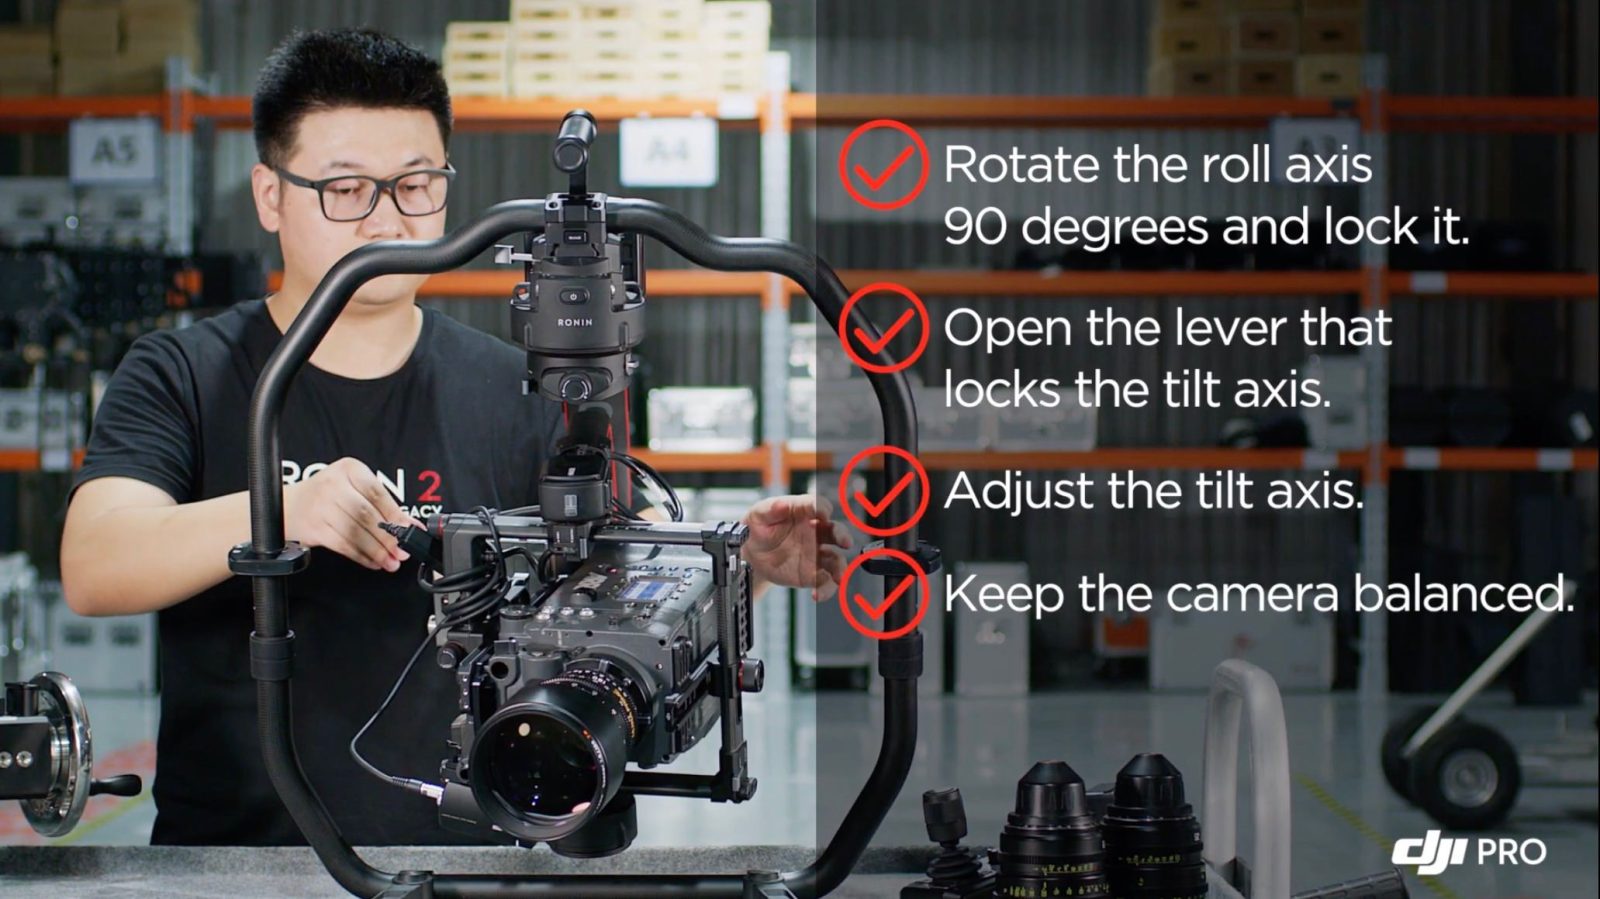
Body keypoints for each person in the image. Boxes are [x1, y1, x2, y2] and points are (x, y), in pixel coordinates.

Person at [59, 27, 848, 846]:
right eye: (346, 188)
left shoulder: (521, 388)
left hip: (469, 857)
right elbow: (94, 561)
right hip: (234, 861)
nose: (386, 219)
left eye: (414, 185)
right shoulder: (184, 373)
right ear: (271, 194)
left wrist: (742, 567)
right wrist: (285, 508)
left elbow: (629, 593)